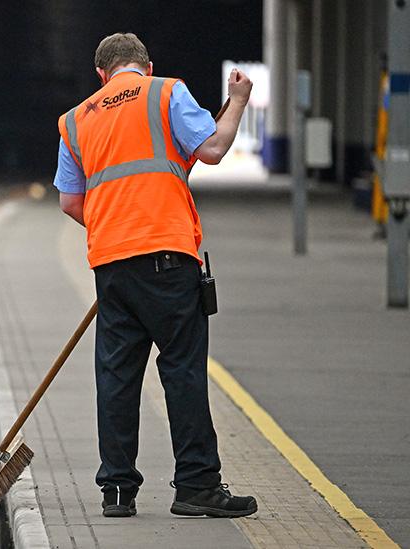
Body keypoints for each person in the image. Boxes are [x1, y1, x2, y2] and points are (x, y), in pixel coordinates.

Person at [53, 32, 258, 519]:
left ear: (101, 76)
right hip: (167, 259)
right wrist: (239, 100)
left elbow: (69, 201)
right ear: (145, 66)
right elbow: (211, 150)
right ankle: (196, 486)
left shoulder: (75, 120)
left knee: (117, 378)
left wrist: (116, 230)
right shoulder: (166, 91)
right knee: (182, 371)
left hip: (111, 264)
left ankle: (117, 492)